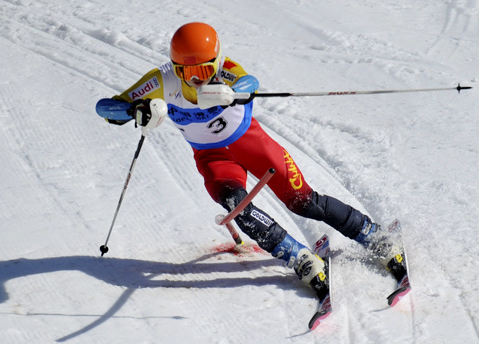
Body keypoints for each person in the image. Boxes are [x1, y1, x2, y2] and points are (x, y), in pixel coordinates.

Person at [95, 22, 405, 301]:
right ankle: (301, 260)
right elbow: (105, 107)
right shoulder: (160, 81)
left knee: (304, 202)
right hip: (212, 157)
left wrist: (231, 92)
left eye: (205, 71)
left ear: (217, 62)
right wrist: (135, 111)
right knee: (237, 206)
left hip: (251, 144)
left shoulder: (227, 70)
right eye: (186, 73)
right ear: (174, 67)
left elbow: (249, 82)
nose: (196, 79)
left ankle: (373, 234)